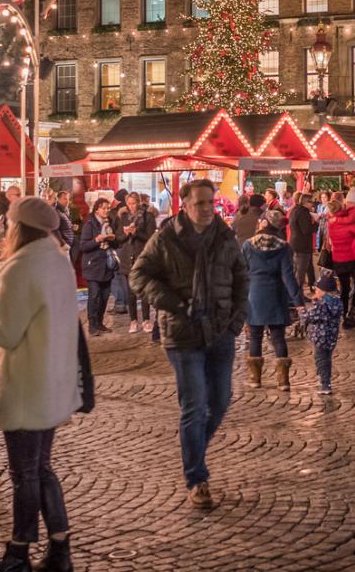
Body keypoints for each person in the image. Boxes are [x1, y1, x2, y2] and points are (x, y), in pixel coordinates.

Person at [130, 178, 249, 510]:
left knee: (221, 401)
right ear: (185, 205)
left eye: (211, 202)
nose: (208, 209)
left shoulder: (225, 237)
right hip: (182, 333)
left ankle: (193, 447)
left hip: (221, 331)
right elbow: (138, 276)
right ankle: (196, 477)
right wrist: (172, 302)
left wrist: (237, 319)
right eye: (200, 203)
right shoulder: (166, 238)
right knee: (195, 406)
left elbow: (242, 277)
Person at [0, 197, 81, 572]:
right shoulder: (56, 262)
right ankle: (60, 547)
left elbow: (4, 332)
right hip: (50, 381)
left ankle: (18, 551)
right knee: (41, 468)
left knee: (25, 473)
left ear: (18, 227)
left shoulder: (21, 268)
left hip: (25, 386)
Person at [241, 207, 301, 391]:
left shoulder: (248, 245)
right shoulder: (283, 247)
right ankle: (283, 381)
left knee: (255, 337)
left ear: (264, 223)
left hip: (254, 295)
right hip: (276, 295)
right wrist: (298, 302)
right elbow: (289, 276)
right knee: (278, 337)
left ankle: (255, 378)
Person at [327, 190, 355, 328]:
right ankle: (352, 313)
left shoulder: (331, 223)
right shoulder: (350, 224)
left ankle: (344, 315)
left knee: (344, 289)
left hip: (338, 260)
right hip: (353, 259)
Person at [78, 198, 121, 334]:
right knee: (94, 295)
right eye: (103, 208)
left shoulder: (109, 224)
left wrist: (113, 240)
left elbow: (116, 244)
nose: (106, 210)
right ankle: (92, 325)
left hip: (106, 265)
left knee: (105, 296)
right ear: (97, 209)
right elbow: (83, 246)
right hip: (93, 265)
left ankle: (100, 322)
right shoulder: (90, 224)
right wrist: (97, 240)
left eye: (108, 208)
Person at [115, 196, 157, 333]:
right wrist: (127, 234)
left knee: (144, 290)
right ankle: (133, 321)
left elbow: (151, 237)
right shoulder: (124, 217)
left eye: (134, 203)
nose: (131, 206)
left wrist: (136, 232)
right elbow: (119, 238)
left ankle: (146, 320)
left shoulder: (147, 217)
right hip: (128, 257)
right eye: (129, 204)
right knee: (130, 292)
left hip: (142, 256)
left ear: (138, 203)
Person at [304, 270, 345, 395]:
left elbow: (310, 317)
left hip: (320, 338)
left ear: (323, 291)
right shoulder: (336, 302)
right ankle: (325, 380)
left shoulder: (322, 305)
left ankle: (325, 383)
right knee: (327, 359)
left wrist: (302, 310)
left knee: (320, 359)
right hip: (331, 338)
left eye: (317, 289)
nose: (315, 291)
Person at [288, 192, 319, 292]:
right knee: (300, 274)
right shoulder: (303, 212)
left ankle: (293, 295)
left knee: (295, 271)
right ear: (306, 202)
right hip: (303, 246)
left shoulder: (294, 210)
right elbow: (306, 230)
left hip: (294, 243)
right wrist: (316, 223)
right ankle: (297, 297)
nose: (313, 205)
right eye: (311, 202)